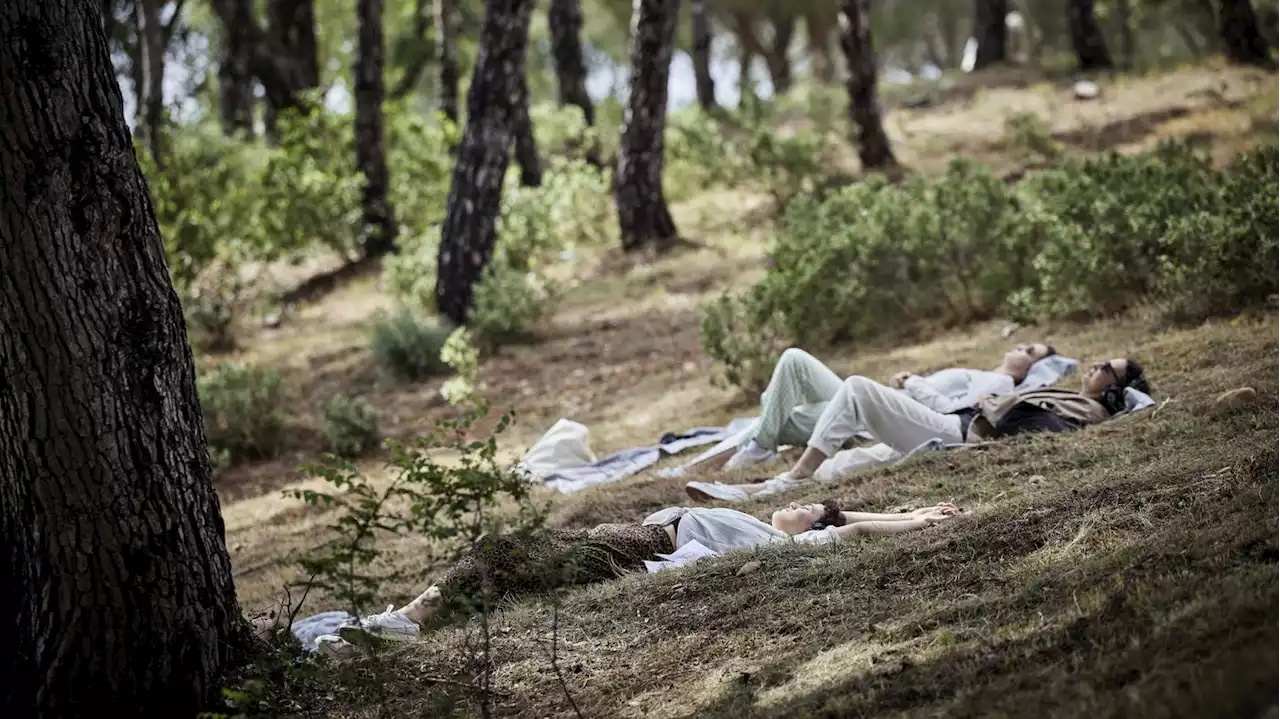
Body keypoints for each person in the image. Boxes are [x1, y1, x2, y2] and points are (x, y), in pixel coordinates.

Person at [332, 500, 963, 648]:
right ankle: (406, 618)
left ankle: (408, 621)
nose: (791, 505)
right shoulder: (757, 525)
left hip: (627, 552)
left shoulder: (778, 543)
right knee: (502, 559)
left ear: (810, 527)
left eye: (804, 510)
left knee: (499, 554)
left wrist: (914, 517)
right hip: (608, 538)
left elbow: (849, 527)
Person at [771, 357, 1151, 484]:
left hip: (959, 431)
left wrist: (995, 407)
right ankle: (764, 489)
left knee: (857, 388)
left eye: (1107, 370)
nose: (1096, 366)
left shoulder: (1091, 411)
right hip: (955, 420)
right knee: (845, 463)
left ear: (1114, 392)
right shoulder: (1070, 396)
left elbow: (1042, 429)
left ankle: (797, 474)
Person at [691, 343, 1059, 473]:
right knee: (788, 376)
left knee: (787, 378)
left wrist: (912, 381)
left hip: (871, 417)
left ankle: (757, 448)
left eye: (1030, 352)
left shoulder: (999, 385)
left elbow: (952, 411)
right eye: (1024, 344)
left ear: (1028, 369)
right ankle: (760, 444)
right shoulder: (982, 372)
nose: (1020, 349)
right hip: (871, 401)